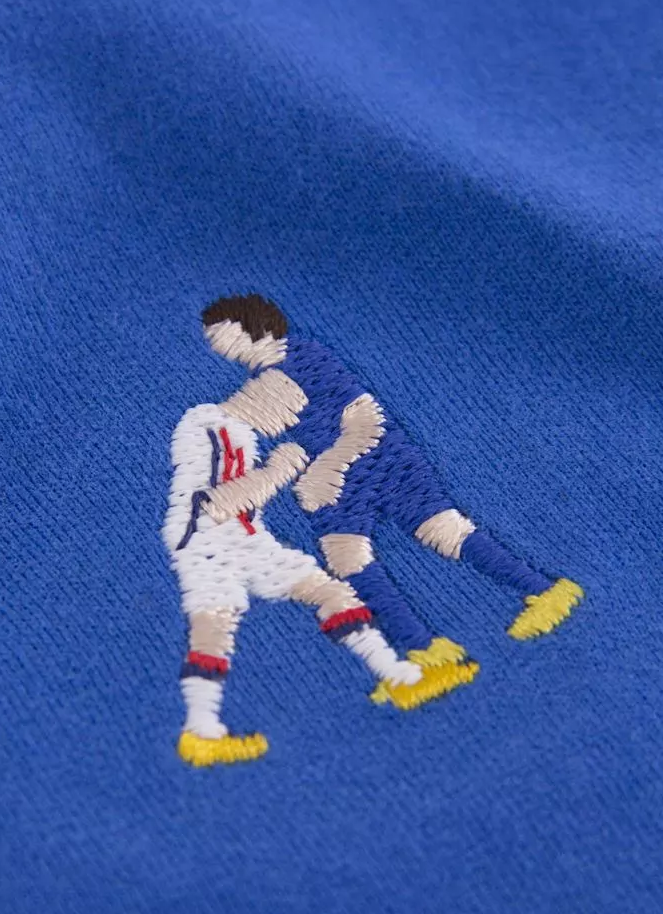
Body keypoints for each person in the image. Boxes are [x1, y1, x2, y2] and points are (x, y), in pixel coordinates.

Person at [198, 293, 583, 695]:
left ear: (253, 326)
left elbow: (360, 415)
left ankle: (538, 594)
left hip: (376, 461)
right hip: (345, 479)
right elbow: (270, 424)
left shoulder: (300, 360)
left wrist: (328, 465)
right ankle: (429, 652)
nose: (217, 346)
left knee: (442, 531)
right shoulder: (277, 372)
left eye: (221, 335)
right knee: (351, 559)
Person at [163, 398, 445, 768]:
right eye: (286, 406)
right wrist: (280, 469)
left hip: (245, 538)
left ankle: (395, 674)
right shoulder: (210, 426)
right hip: (207, 541)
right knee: (213, 628)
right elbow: (218, 504)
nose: (289, 418)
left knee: (329, 592)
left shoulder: (239, 429)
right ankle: (200, 730)